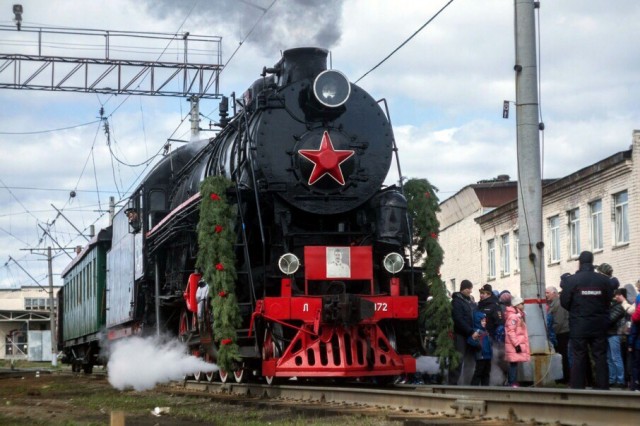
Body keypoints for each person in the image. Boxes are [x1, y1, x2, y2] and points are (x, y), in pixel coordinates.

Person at [560, 251, 613, 390]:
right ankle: (603, 388)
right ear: (592, 261)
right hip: (599, 325)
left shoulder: (572, 280)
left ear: (580, 262)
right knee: (600, 356)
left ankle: (578, 388)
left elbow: (564, 302)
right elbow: (608, 301)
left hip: (579, 325)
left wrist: (577, 310)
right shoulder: (604, 280)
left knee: (579, 357)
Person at [448, 279, 478, 385]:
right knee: (458, 360)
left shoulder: (469, 301)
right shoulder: (457, 302)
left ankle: (467, 383)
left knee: (470, 361)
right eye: (469, 289)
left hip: (470, 335)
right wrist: (470, 331)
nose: (470, 291)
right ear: (464, 289)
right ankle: (452, 384)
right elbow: (458, 320)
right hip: (460, 335)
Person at [546, 285, 570, 384]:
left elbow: (558, 322)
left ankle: (564, 378)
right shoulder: (553, 304)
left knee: (563, 356)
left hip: (562, 334)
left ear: (554, 293)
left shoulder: (558, 304)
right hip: (559, 333)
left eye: (547, 293)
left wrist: (551, 334)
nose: (546, 295)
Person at [504, 296, 530, 387]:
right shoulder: (513, 316)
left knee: (514, 363)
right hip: (514, 345)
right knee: (513, 364)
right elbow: (511, 331)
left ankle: (513, 382)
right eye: (522, 304)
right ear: (517, 305)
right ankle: (512, 382)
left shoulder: (518, 315)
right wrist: (516, 344)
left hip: (515, 344)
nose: (523, 305)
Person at [608, 288, 629, 388]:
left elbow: (610, 319)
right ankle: (612, 379)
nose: (616, 296)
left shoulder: (620, 307)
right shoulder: (613, 305)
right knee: (610, 358)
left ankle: (620, 380)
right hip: (609, 334)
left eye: (618, 294)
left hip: (614, 334)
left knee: (616, 358)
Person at [468, 311, 493, 386]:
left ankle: (485, 387)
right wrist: (477, 345)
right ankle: (473, 387)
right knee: (478, 372)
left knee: (486, 373)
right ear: (478, 321)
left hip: (488, 355)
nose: (484, 322)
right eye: (482, 321)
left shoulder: (485, 331)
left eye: (485, 321)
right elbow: (470, 340)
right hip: (481, 356)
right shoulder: (477, 331)